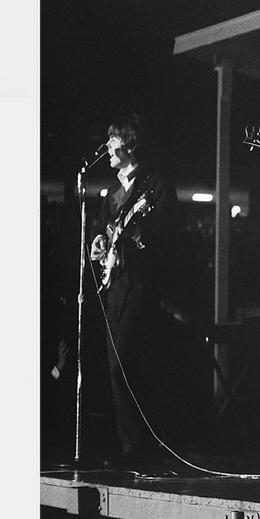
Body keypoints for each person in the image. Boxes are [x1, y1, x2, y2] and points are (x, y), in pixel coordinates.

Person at [89, 113, 178, 472]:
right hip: (117, 285)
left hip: (142, 285)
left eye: (113, 141)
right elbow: (101, 228)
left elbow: (167, 236)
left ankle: (144, 447)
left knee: (127, 358)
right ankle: (130, 447)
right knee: (114, 365)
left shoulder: (155, 186)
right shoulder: (113, 192)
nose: (107, 147)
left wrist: (141, 234)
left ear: (129, 144)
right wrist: (97, 242)